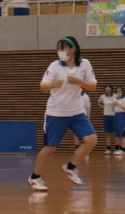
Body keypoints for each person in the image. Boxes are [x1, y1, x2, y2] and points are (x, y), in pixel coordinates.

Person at [29, 36, 97, 191]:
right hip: (56, 113)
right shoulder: (54, 66)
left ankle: (70, 167)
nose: (59, 51)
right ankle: (34, 177)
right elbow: (43, 87)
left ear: (72, 49)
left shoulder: (84, 64)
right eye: (58, 48)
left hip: (76, 112)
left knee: (91, 140)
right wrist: (53, 84)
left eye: (62, 48)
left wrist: (79, 82)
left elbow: (92, 87)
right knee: (50, 148)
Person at [98, 84, 116, 154]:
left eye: (109, 88)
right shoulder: (102, 97)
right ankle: (108, 148)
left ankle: (117, 147)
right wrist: (104, 107)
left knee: (115, 132)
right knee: (108, 133)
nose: (107, 89)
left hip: (114, 115)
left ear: (111, 89)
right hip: (106, 115)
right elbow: (99, 103)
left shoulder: (115, 96)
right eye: (106, 88)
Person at [112, 86, 125, 156]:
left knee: (123, 133)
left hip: (122, 115)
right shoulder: (114, 99)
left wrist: (118, 103)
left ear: (122, 92)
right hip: (116, 115)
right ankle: (118, 148)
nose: (118, 93)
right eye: (117, 91)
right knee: (117, 132)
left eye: (120, 91)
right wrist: (114, 104)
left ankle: (123, 149)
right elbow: (113, 109)